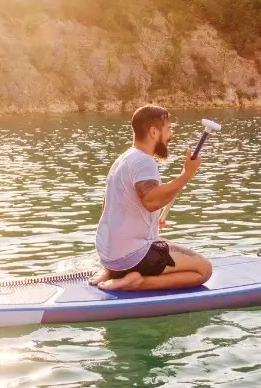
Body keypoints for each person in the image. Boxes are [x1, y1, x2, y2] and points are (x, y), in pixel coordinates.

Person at [89, 105, 213, 291]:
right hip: (131, 257)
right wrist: (187, 174)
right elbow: (151, 201)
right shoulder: (143, 161)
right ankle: (137, 283)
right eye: (168, 129)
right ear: (154, 132)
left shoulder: (124, 159)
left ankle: (112, 272)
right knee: (204, 270)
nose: (171, 136)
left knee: (166, 243)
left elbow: (111, 206)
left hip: (108, 255)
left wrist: (151, 222)